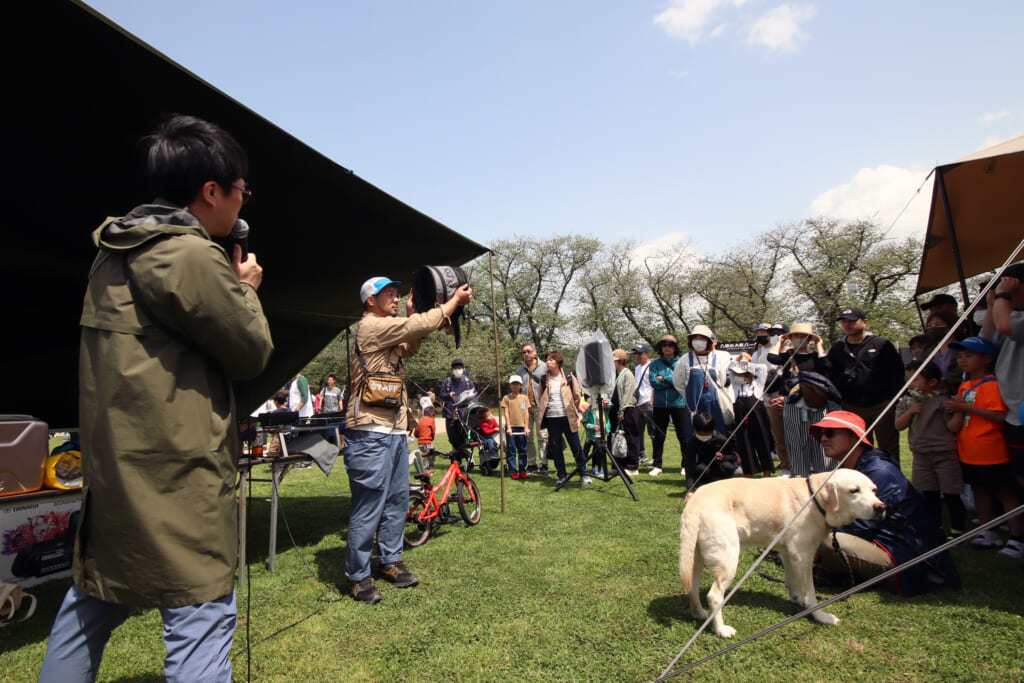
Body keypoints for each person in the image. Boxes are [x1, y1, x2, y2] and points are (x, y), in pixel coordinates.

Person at [39, 114, 274, 682]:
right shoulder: (190, 256)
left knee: (93, 600)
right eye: (241, 189)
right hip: (176, 477)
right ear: (211, 191)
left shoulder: (112, 252)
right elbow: (251, 352)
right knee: (201, 619)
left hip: (117, 473)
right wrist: (244, 292)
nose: (243, 201)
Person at [343, 275, 472, 603]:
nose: (395, 298)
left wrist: (414, 315)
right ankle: (358, 577)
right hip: (369, 431)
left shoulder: (389, 328)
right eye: (387, 293)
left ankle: (390, 562)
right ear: (370, 301)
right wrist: (452, 303)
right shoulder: (371, 326)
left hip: (394, 430)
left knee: (398, 500)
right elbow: (416, 328)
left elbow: (410, 346)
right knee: (369, 504)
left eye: (398, 294)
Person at [810, 411, 961, 597]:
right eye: (820, 434)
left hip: (909, 558)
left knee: (828, 542)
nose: (823, 438)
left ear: (853, 436)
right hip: (881, 542)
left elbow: (860, 526)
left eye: (830, 433)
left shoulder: (878, 472)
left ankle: (840, 571)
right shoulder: (853, 468)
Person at [943, 336, 1024, 558]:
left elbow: (1000, 416)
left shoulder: (993, 384)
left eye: (969, 355)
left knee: (1005, 492)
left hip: (993, 451)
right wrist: (957, 410)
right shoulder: (965, 385)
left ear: (987, 359)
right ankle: (986, 531)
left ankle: (1018, 538)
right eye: (960, 356)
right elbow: (956, 424)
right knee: (979, 491)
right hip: (969, 451)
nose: (963, 360)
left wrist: (967, 407)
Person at [894, 361, 964, 536]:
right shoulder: (905, 402)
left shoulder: (941, 401)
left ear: (932, 382)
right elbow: (898, 426)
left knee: (951, 493)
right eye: (907, 379)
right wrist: (910, 412)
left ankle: (957, 529)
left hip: (944, 453)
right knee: (929, 493)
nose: (910, 384)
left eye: (915, 380)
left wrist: (959, 411)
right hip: (920, 454)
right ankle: (936, 528)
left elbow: (953, 427)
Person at [825, 307, 905, 461]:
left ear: (865, 322)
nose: (847, 325)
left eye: (852, 321)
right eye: (844, 321)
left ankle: (892, 480)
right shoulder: (837, 348)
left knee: (888, 446)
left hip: (882, 404)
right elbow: (830, 375)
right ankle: (863, 478)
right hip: (852, 405)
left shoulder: (882, 344)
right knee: (859, 446)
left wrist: (892, 399)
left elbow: (897, 372)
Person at [981, 262, 1024, 495]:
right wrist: (991, 305)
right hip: (1014, 410)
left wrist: (1004, 295)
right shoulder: (1007, 313)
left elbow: (1005, 326)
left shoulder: (1013, 319)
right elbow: (987, 341)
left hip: (1021, 408)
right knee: (1018, 473)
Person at [527, 350, 590, 487]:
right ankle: (562, 474)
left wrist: (575, 411)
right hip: (552, 418)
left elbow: (577, 396)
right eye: (547, 359)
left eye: (551, 359)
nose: (548, 362)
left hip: (567, 417)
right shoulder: (544, 379)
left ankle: (584, 473)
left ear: (558, 361)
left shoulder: (568, 376)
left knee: (576, 446)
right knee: (556, 448)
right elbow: (542, 397)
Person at [672, 324, 733, 440]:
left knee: (717, 436)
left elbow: (722, 381)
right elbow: (678, 383)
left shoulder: (718, 358)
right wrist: (690, 397)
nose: (698, 341)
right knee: (695, 437)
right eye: (696, 338)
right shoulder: (684, 360)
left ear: (709, 341)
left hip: (715, 405)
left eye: (702, 338)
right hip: (694, 406)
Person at [753, 323, 791, 475]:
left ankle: (802, 463)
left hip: (790, 396)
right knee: (778, 435)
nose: (776, 336)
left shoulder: (793, 352)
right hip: (771, 396)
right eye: (773, 333)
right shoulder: (764, 355)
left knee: (794, 434)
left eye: (779, 333)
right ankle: (786, 465)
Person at [648, 334, 688, 478]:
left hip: (679, 403)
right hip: (659, 404)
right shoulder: (654, 364)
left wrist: (664, 378)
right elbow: (654, 383)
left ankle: (686, 465)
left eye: (670, 345)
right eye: (664, 345)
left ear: (675, 347)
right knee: (658, 435)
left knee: (683, 435)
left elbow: (681, 382)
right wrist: (672, 382)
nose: (667, 348)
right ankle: (657, 465)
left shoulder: (682, 363)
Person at [727, 357, 774, 477]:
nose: (738, 376)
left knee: (762, 442)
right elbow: (730, 368)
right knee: (744, 444)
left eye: (741, 374)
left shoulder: (757, 387)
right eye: (737, 374)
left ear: (750, 376)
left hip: (758, 419)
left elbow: (762, 368)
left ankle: (767, 471)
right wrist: (739, 359)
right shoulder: (736, 387)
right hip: (742, 419)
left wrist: (748, 365)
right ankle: (749, 472)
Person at [683, 412, 738, 498]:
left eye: (705, 435)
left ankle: (724, 485)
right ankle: (705, 485)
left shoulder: (721, 439)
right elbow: (689, 465)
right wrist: (690, 490)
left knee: (727, 466)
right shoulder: (692, 442)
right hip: (705, 468)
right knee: (699, 468)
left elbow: (734, 456)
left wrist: (723, 457)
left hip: (719, 466)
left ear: (712, 431)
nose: (702, 437)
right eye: (699, 434)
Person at [516, 342, 549, 474]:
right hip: (525, 408)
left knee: (542, 437)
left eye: (529, 351)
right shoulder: (519, 371)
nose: (526, 354)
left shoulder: (545, 367)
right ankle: (531, 464)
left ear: (534, 352)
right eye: (524, 352)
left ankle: (544, 464)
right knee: (528, 437)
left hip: (540, 406)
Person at [611, 348, 642, 476]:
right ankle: (618, 464)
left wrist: (622, 411)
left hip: (627, 409)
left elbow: (628, 394)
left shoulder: (627, 374)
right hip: (615, 409)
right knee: (616, 437)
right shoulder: (615, 375)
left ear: (621, 360)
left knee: (630, 437)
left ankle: (632, 465)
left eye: (615, 361)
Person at [440, 359, 476, 451]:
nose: (457, 370)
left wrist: (473, 402)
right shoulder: (446, 382)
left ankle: (467, 458)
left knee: (465, 437)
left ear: (464, 368)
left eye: (459, 368)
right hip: (451, 414)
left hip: (465, 415)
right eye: (455, 368)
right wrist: (449, 395)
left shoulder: (468, 383)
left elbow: (475, 396)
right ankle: (456, 458)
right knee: (453, 438)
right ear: (452, 370)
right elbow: (441, 395)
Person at [500, 375, 530, 479]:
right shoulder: (506, 398)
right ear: (510, 385)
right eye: (513, 384)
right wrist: (508, 427)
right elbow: (506, 413)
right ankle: (513, 471)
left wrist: (526, 427)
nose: (515, 386)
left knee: (522, 450)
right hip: (512, 428)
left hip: (522, 428)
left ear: (521, 385)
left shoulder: (524, 398)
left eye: (517, 384)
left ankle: (522, 470)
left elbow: (526, 412)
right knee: (511, 450)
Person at [632, 343, 655, 467]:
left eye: (640, 353)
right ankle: (641, 454)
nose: (638, 356)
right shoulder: (637, 368)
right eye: (636, 353)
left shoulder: (652, 366)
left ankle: (656, 457)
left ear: (647, 354)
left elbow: (654, 385)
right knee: (638, 431)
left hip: (648, 402)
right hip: (638, 403)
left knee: (652, 432)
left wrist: (652, 400)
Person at [581, 393, 611, 477]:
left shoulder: (604, 409)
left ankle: (598, 468)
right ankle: (585, 466)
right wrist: (593, 427)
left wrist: (607, 402)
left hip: (602, 434)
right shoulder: (590, 410)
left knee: (599, 451)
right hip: (592, 435)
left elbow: (610, 404)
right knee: (592, 450)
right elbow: (585, 423)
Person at [413, 405, 436, 471]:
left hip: (420, 443)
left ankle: (429, 467)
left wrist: (419, 437)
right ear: (432, 414)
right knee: (429, 455)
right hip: (427, 442)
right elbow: (433, 431)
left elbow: (416, 433)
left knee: (430, 454)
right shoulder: (431, 420)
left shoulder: (420, 421)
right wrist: (432, 438)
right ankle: (425, 468)